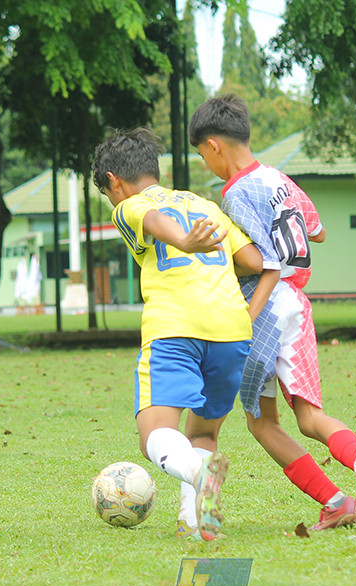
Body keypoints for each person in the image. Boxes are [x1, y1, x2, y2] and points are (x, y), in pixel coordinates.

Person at [187, 94, 356, 531]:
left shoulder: (235, 191)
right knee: (310, 417)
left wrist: (244, 317)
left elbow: (269, 264)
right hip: (299, 306)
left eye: (202, 155)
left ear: (214, 145)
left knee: (261, 423)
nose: (206, 164)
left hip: (269, 309)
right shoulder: (278, 178)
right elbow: (318, 230)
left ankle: (334, 500)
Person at [91, 128, 263, 541]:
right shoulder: (203, 204)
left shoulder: (130, 204)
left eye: (108, 192)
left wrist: (185, 242)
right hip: (232, 330)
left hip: (175, 328)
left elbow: (150, 219)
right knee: (203, 433)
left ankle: (195, 470)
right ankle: (195, 520)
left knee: (154, 433)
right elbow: (254, 260)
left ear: (114, 181)